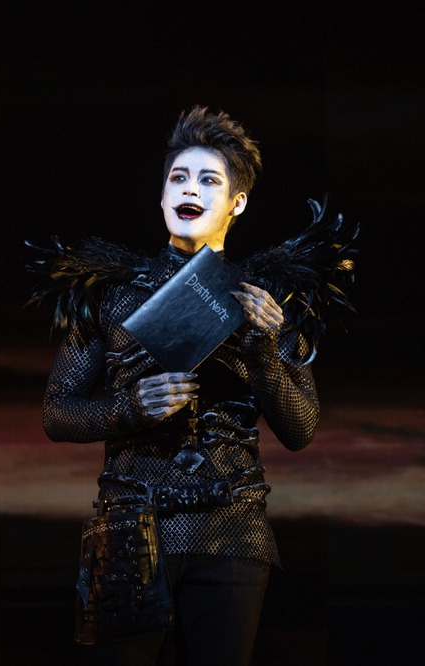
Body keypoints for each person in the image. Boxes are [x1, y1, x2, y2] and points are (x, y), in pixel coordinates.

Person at [28, 106, 356, 666]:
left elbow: (301, 428)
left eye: (208, 180)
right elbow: (57, 412)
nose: (189, 189)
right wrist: (129, 407)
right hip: (130, 529)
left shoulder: (266, 301)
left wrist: (263, 350)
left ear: (237, 202)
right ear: (161, 197)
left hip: (231, 533)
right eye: (178, 178)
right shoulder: (111, 294)